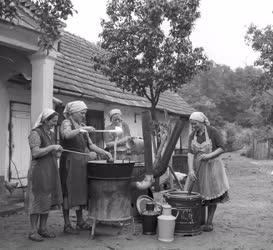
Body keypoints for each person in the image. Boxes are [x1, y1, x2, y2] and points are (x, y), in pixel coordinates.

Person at [59, 100, 112, 234]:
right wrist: (81, 129)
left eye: (85, 113)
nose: (84, 116)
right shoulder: (66, 123)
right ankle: (66, 224)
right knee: (68, 191)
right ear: (73, 113)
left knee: (81, 190)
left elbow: (91, 146)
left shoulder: (82, 126)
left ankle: (80, 221)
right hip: (70, 163)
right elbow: (66, 135)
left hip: (82, 163)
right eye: (82, 113)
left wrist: (104, 152)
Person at [184, 111, 229, 232]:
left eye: (195, 124)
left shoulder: (212, 131)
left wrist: (209, 156)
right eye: (191, 124)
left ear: (202, 122)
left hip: (211, 168)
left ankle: (209, 222)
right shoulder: (192, 135)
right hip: (197, 169)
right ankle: (197, 220)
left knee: (211, 196)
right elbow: (190, 153)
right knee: (194, 195)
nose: (193, 126)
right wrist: (190, 170)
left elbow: (222, 148)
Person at [26, 109, 63, 242]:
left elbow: (51, 152)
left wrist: (57, 153)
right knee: (37, 200)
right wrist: (52, 147)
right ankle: (33, 231)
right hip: (38, 173)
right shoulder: (35, 133)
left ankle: (42, 229)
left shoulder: (51, 134)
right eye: (53, 121)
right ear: (45, 120)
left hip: (50, 171)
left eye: (56, 121)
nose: (54, 123)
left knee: (47, 200)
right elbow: (35, 153)